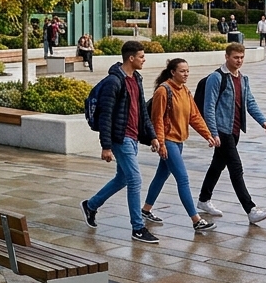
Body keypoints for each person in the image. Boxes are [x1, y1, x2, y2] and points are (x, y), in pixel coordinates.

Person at [80, 41, 166, 244]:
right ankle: (138, 227)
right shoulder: (114, 81)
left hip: (133, 137)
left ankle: (91, 205)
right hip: (121, 138)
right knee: (135, 179)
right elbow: (106, 115)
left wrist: (152, 135)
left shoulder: (136, 78)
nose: (144, 60)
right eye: (142, 56)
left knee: (123, 178)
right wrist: (106, 146)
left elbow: (142, 111)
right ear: (131, 58)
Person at [197, 43, 266, 225]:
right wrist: (213, 133)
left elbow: (250, 102)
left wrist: (263, 121)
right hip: (222, 131)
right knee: (236, 168)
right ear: (226, 57)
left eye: (241, 57)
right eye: (235, 57)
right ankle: (251, 209)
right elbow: (208, 107)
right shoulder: (216, 78)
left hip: (235, 130)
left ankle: (203, 200)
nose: (239, 61)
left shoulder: (243, 79)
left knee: (217, 166)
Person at [141, 58, 218, 232]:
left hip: (179, 141)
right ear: (172, 72)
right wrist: (161, 143)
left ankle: (145, 210)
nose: (186, 74)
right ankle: (196, 220)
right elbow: (157, 119)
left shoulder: (185, 91)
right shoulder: (163, 90)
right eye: (182, 71)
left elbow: (194, 116)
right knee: (183, 179)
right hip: (168, 141)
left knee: (161, 175)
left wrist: (208, 135)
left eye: (187, 71)